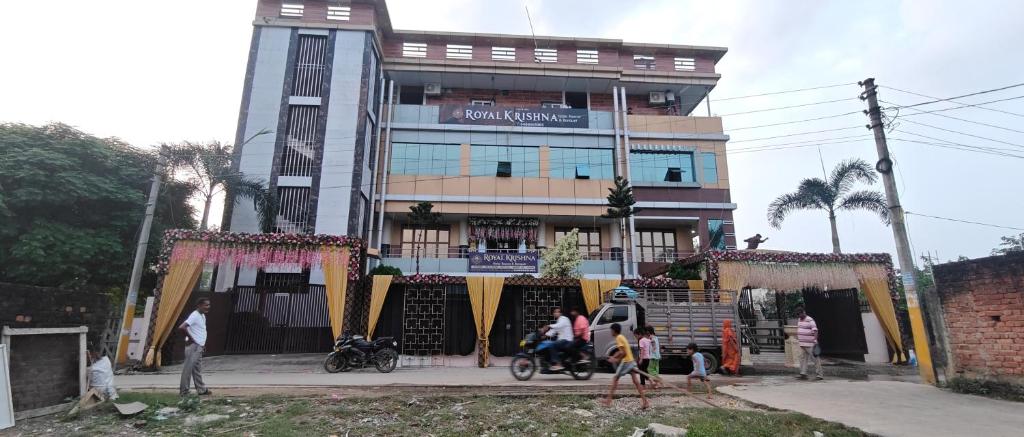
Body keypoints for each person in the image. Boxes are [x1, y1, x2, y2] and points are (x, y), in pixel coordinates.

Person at [602, 323, 649, 409]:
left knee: (615, 379)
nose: (610, 332)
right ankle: (645, 401)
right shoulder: (621, 337)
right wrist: (614, 357)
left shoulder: (618, 338)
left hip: (626, 362)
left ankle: (608, 401)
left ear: (614, 331)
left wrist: (615, 359)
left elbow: (622, 353)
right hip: (630, 360)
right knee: (636, 382)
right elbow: (621, 351)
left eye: (611, 330)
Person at [179, 297, 212, 396]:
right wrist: (192, 340)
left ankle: (201, 389)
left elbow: (199, 331)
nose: (208, 307)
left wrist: (202, 344)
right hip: (194, 346)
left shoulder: (202, 316)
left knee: (197, 369)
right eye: (206, 305)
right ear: (199, 305)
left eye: (208, 305)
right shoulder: (195, 315)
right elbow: (182, 327)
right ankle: (184, 391)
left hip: (199, 346)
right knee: (188, 369)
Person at [795, 305, 823, 380]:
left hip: (810, 343)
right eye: (797, 314)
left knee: (815, 359)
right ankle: (803, 374)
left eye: (799, 314)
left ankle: (820, 375)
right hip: (801, 344)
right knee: (802, 358)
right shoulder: (799, 320)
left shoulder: (810, 320)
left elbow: (815, 330)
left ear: (803, 312)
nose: (799, 316)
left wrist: (815, 341)